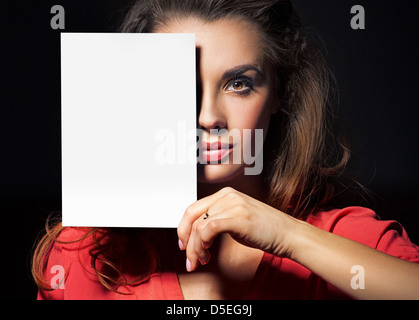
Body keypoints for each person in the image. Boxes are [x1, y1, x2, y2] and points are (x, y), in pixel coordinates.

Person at [32, 0, 419, 300]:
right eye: (178, 83)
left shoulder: (341, 240)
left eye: (239, 84)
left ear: (279, 94)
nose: (207, 117)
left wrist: (287, 236)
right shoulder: (87, 255)